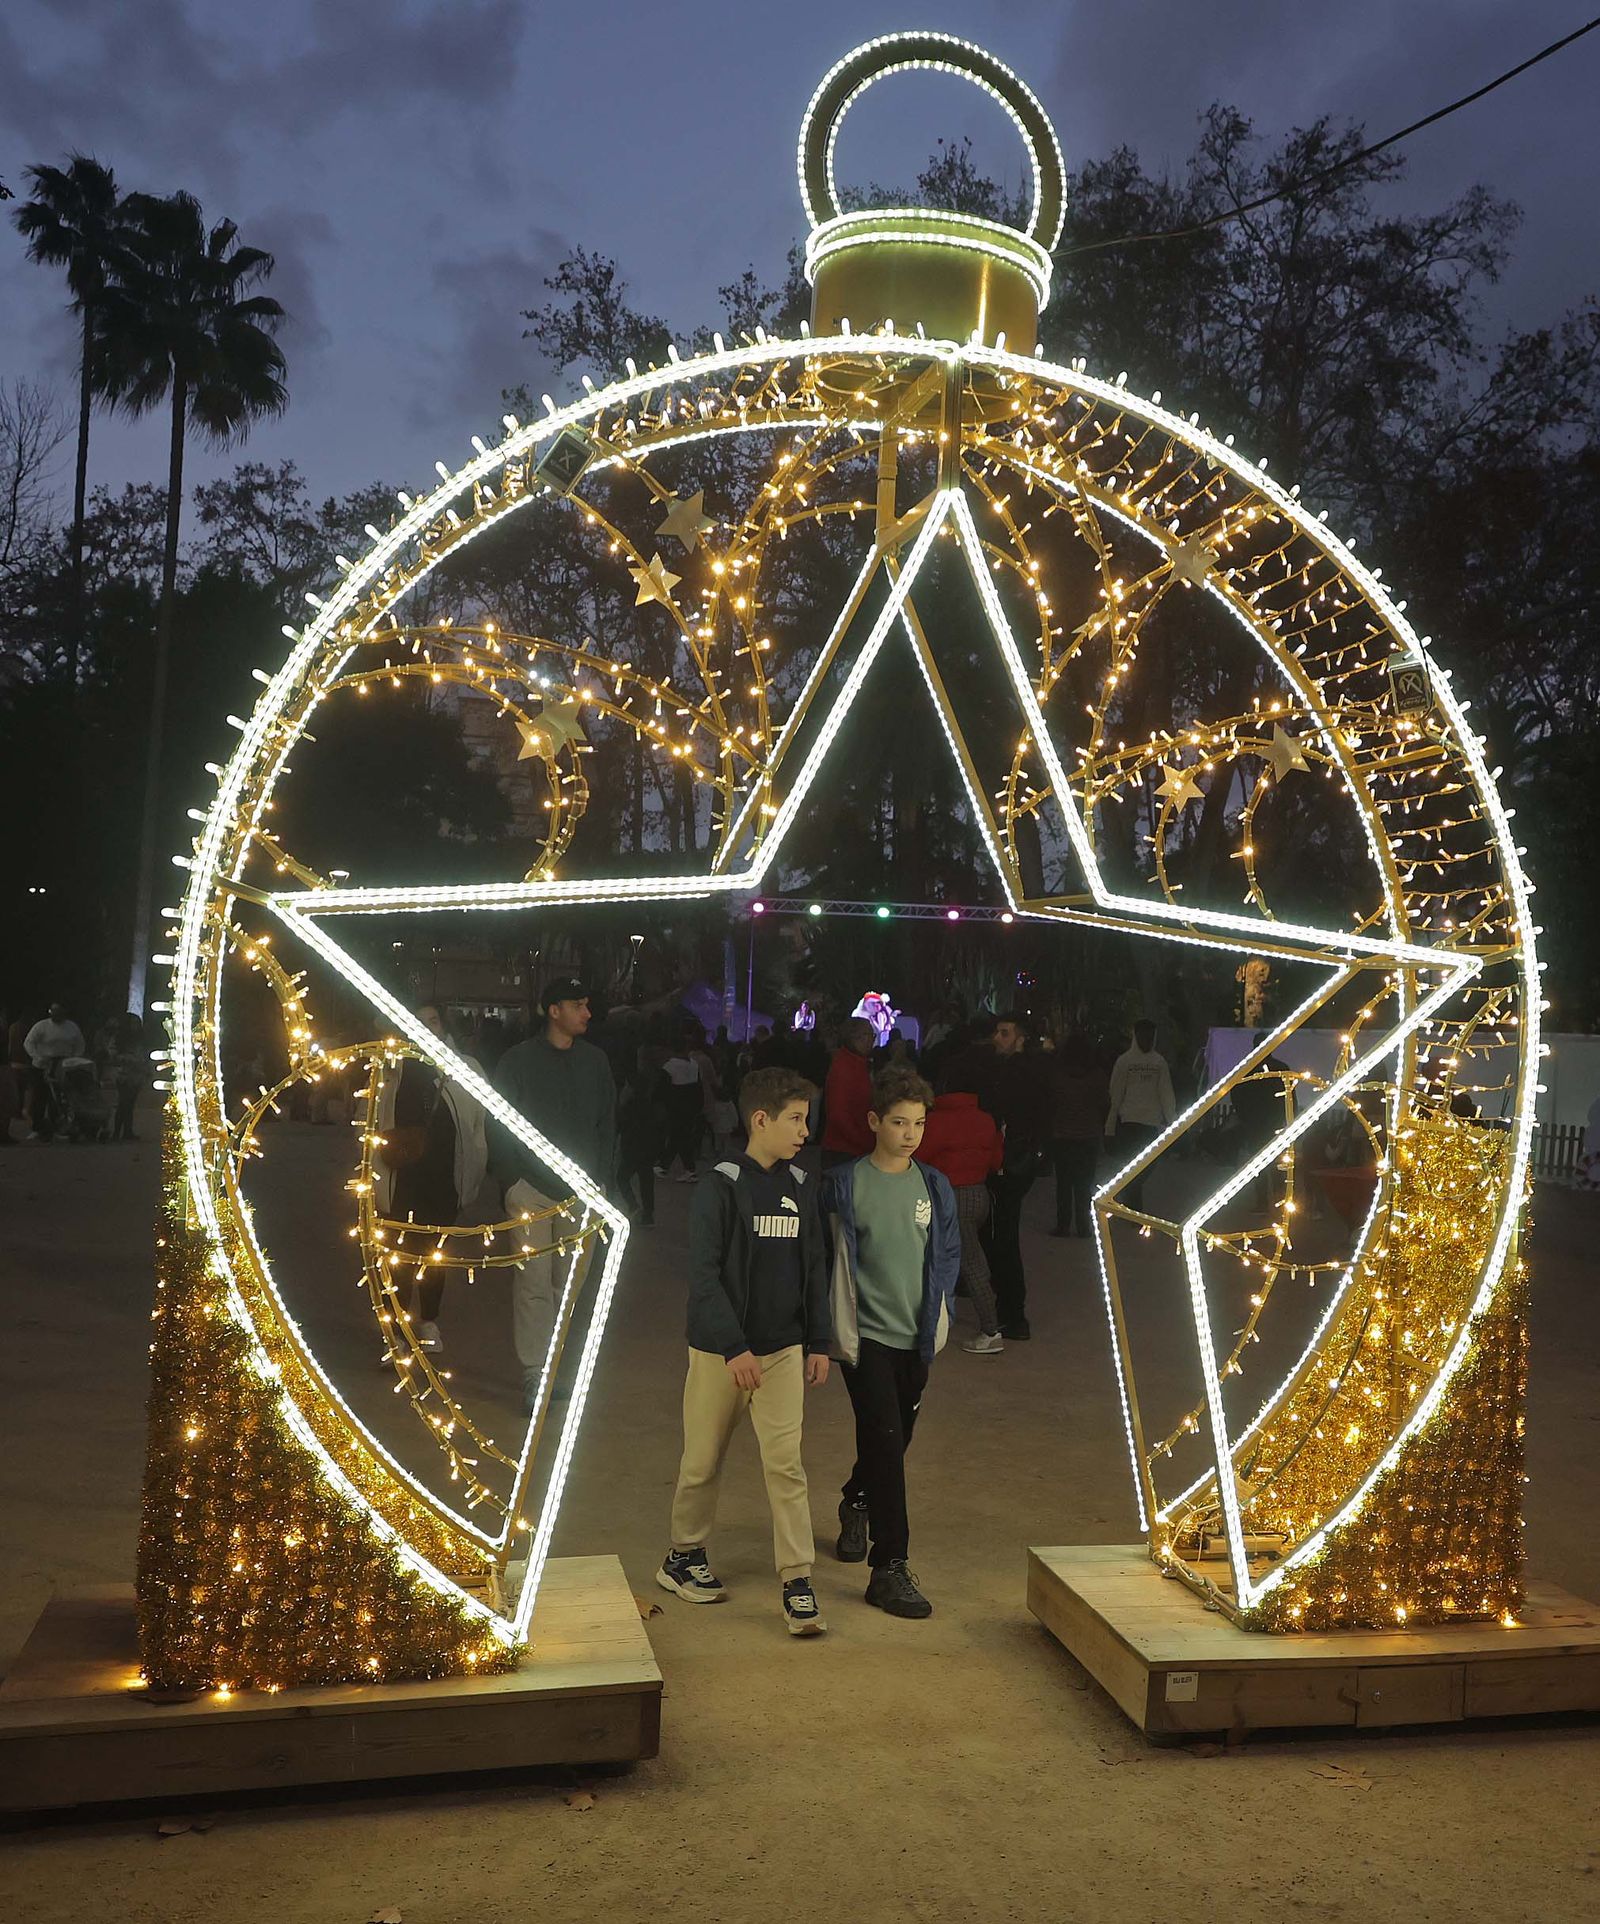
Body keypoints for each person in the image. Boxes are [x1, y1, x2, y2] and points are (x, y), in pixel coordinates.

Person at [656, 1066, 831, 1637]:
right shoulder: (722, 1184)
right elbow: (703, 1276)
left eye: (807, 1118)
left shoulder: (803, 1185)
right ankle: (683, 1556)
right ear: (761, 1120)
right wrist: (733, 1348)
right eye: (796, 1120)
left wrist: (818, 1342)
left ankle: (798, 1581)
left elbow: (814, 1269)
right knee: (702, 1461)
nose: (806, 1131)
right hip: (721, 1354)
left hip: (782, 1352)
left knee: (787, 1466)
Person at [823, 1067, 959, 1619]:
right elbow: (824, 1258)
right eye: (899, 1122)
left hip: (917, 1335)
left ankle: (856, 1498)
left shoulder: (933, 1185)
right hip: (867, 1336)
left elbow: (945, 1254)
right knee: (884, 1435)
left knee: (893, 1439)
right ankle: (890, 1566)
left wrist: (940, 1312)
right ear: (874, 1121)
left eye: (919, 1124)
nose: (910, 1134)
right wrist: (821, 1331)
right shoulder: (843, 1183)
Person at [490, 978, 617, 1413]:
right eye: (577, 1005)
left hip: (580, 1193)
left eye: (586, 1004)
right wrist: (511, 1180)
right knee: (532, 1284)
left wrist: (599, 1181)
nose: (587, 1013)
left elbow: (607, 1124)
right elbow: (499, 1120)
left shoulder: (595, 1061)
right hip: (530, 1190)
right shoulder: (518, 1061)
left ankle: (551, 1369)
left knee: (568, 1288)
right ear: (553, 1010)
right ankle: (534, 1374)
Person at [374, 1003, 489, 1355]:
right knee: (395, 1255)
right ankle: (394, 1332)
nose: (427, 1026)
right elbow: (370, 1119)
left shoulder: (464, 1068)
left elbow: (477, 1124)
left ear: (443, 1025)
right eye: (419, 1020)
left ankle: (427, 1321)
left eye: (433, 1019)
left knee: (434, 1254)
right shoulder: (390, 1068)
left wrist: (475, 1172)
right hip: (400, 1177)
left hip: (443, 1175)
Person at [974, 1012, 1051, 1341]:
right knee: (1001, 1235)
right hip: (1017, 1161)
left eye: (1004, 1033)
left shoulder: (1014, 1074)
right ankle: (1008, 1309)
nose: (997, 1038)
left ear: (1019, 1039)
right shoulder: (1030, 1071)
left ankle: (1011, 1312)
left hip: (1010, 1162)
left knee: (1002, 1237)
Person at [915, 1084, 1005, 1353]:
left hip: (947, 1195)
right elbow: (995, 1160)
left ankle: (990, 1330)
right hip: (979, 1193)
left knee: (962, 1262)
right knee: (970, 1259)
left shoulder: (936, 1121)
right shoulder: (984, 1118)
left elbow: (919, 1156)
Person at [1104, 1019, 1178, 1212]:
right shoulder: (1125, 1061)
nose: (1147, 1039)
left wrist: (1172, 1121)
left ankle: (1128, 1202)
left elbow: (1166, 1093)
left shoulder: (1158, 1062)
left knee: (1144, 1168)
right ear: (1136, 1036)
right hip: (1129, 1122)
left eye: (1150, 1035)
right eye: (1143, 1035)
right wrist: (1110, 1126)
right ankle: (1134, 1210)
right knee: (1133, 1167)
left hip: (1150, 1124)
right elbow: (1115, 1093)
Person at [1048, 1031, 1102, 1237]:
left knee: (1064, 1183)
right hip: (1088, 1134)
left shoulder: (1059, 1075)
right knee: (1084, 1183)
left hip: (1063, 1134)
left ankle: (1063, 1224)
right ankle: (1084, 1225)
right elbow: (1104, 1101)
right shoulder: (1096, 1075)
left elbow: (1051, 1101)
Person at [23, 1001, 85, 1142]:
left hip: (63, 1065)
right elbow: (29, 1043)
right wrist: (37, 1057)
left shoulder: (72, 1027)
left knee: (58, 1098)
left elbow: (80, 1044)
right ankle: (37, 1128)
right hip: (43, 1065)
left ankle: (58, 1127)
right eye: (53, 1011)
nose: (56, 1014)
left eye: (59, 1011)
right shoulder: (41, 1026)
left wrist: (74, 1059)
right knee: (39, 1097)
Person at [821, 1016, 876, 1168]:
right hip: (844, 1150)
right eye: (868, 1035)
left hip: (851, 1146)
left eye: (872, 1036)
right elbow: (838, 1114)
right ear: (854, 1038)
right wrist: (865, 1142)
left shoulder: (858, 1064)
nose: (871, 1041)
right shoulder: (845, 1067)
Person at [659, 1025, 710, 1181]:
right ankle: (665, 1166)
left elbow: (664, 1089)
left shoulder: (669, 1066)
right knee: (681, 1135)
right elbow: (698, 1086)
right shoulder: (693, 1064)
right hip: (691, 1103)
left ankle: (687, 1168)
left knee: (679, 1136)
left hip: (675, 1104)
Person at [108, 1012, 148, 1142]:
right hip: (124, 1074)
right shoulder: (119, 1039)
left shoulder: (140, 1040)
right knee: (123, 1103)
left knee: (130, 1104)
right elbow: (113, 1054)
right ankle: (117, 1132)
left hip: (136, 1074)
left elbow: (145, 1056)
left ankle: (126, 1131)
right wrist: (127, 1059)